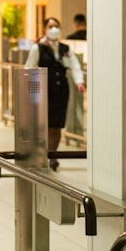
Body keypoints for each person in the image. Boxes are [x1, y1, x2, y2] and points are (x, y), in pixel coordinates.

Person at [24, 16, 85, 169]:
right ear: (44, 29)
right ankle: (41, 154)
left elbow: (75, 66)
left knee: (56, 124)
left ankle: (53, 155)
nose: (54, 29)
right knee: (43, 123)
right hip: (43, 90)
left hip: (61, 91)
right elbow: (29, 68)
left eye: (56, 26)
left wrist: (79, 82)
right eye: (50, 26)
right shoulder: (38, 48)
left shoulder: (65, 48)